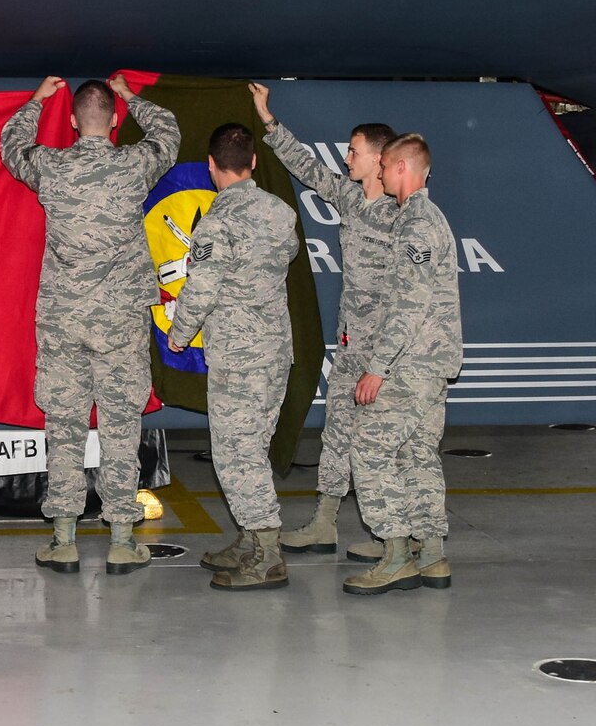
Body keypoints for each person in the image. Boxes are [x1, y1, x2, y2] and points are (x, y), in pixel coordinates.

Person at [0, 74, 179, 574]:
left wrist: (34, 101)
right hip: (120, 319)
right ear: (116, 122)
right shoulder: (135, 163)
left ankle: (63, 540)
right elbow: (168, 132)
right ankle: (122, 540)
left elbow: (12, 147)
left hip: (64, 319)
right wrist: (129, 95)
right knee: (122, 425)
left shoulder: (52, 166)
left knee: (65, 427)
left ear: (75, 123)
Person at [249, 81, 397, 565]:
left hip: (386, 355)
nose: (346, 159)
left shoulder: (403, 218)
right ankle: (324, 522)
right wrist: (268, 119)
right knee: (336, 435)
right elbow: (307, 167)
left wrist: (385, 357)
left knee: (383, 449)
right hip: (352, 346)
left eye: (354, 151)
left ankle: (392, 535)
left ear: (379, 160)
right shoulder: (353, 200)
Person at [167, 123, 301, 592]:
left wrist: (180, 335)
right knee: (253, 448)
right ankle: (249, 539)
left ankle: (267, 554)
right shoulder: (281, 212)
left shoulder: (217, 223)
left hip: (239, 358)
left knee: (238, 455)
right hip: (274, 353)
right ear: (254, 163)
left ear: (211, 166)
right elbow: (288, 255)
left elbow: (201, 287)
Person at [340, 134, 465, 595]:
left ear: (400, 169)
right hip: (429, 363)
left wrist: (378, 367)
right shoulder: (423, 219)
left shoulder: (415, 224)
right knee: (417, 453)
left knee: (369, 449)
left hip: (412, 362)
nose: (381, 174)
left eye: (386, 167)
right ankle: (431, 554)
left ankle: (395, 555)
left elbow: (408, 305)